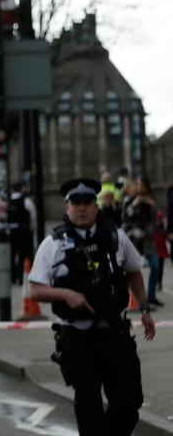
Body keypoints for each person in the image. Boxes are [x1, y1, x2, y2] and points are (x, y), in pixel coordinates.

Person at [28, 178, 156, 436]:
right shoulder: (52, 244)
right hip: (77, 337)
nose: (82, 208)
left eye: (87, 202)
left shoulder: (115, 236)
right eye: (76, 203)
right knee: (89, 409)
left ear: (96, 206)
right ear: (67, 208)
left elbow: (134, 272)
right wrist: (66, 294)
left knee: (128, 404)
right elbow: (36, 290)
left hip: (114, 333)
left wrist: (144, 309)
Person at [126, 178, 162, 307]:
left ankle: (151, 296)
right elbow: (127, 216)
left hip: (148, 241)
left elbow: (155, 220)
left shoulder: (150, 200)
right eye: (138, 185)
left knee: (155, 266)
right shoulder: (131, 200)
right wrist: (135, 204)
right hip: (134, 240)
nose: (139, 188)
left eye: (141, 185)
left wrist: (151, 204)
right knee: (133, 269)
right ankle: (134, 298)